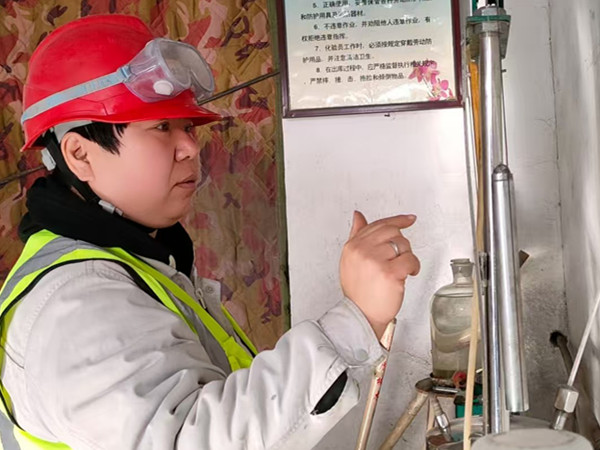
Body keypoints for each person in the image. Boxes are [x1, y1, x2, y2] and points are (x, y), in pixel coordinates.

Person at [0, 14, 420, 450]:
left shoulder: (144, 265)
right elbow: (192, 439)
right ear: (80, 154)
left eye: (186, 127)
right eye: (161, 127)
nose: (190, 146)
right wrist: (355, 321)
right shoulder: (79, 305)